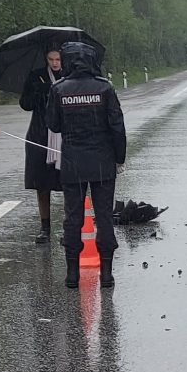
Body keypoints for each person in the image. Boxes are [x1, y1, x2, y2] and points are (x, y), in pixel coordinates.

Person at [45, 40, 127, 288]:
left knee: (73, 217)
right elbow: (117, 127)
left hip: (72, 162)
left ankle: (72, 274)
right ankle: (106, 273)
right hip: (102, 161)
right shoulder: (104, 88)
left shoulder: (59, 89)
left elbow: (53, 124)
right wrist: (119, 157)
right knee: (103, 217)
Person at [20, 47, 64, 243]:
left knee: (69, 183)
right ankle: (45, 227)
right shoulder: (36, 76)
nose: (55, 63)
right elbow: (25, 103)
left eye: (58, 59)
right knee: (42, 183)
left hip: (65, 135)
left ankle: (69, 226)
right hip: (40, 133)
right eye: (51, 59)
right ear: (46, 59)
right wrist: (39, 92)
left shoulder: (70, 75)